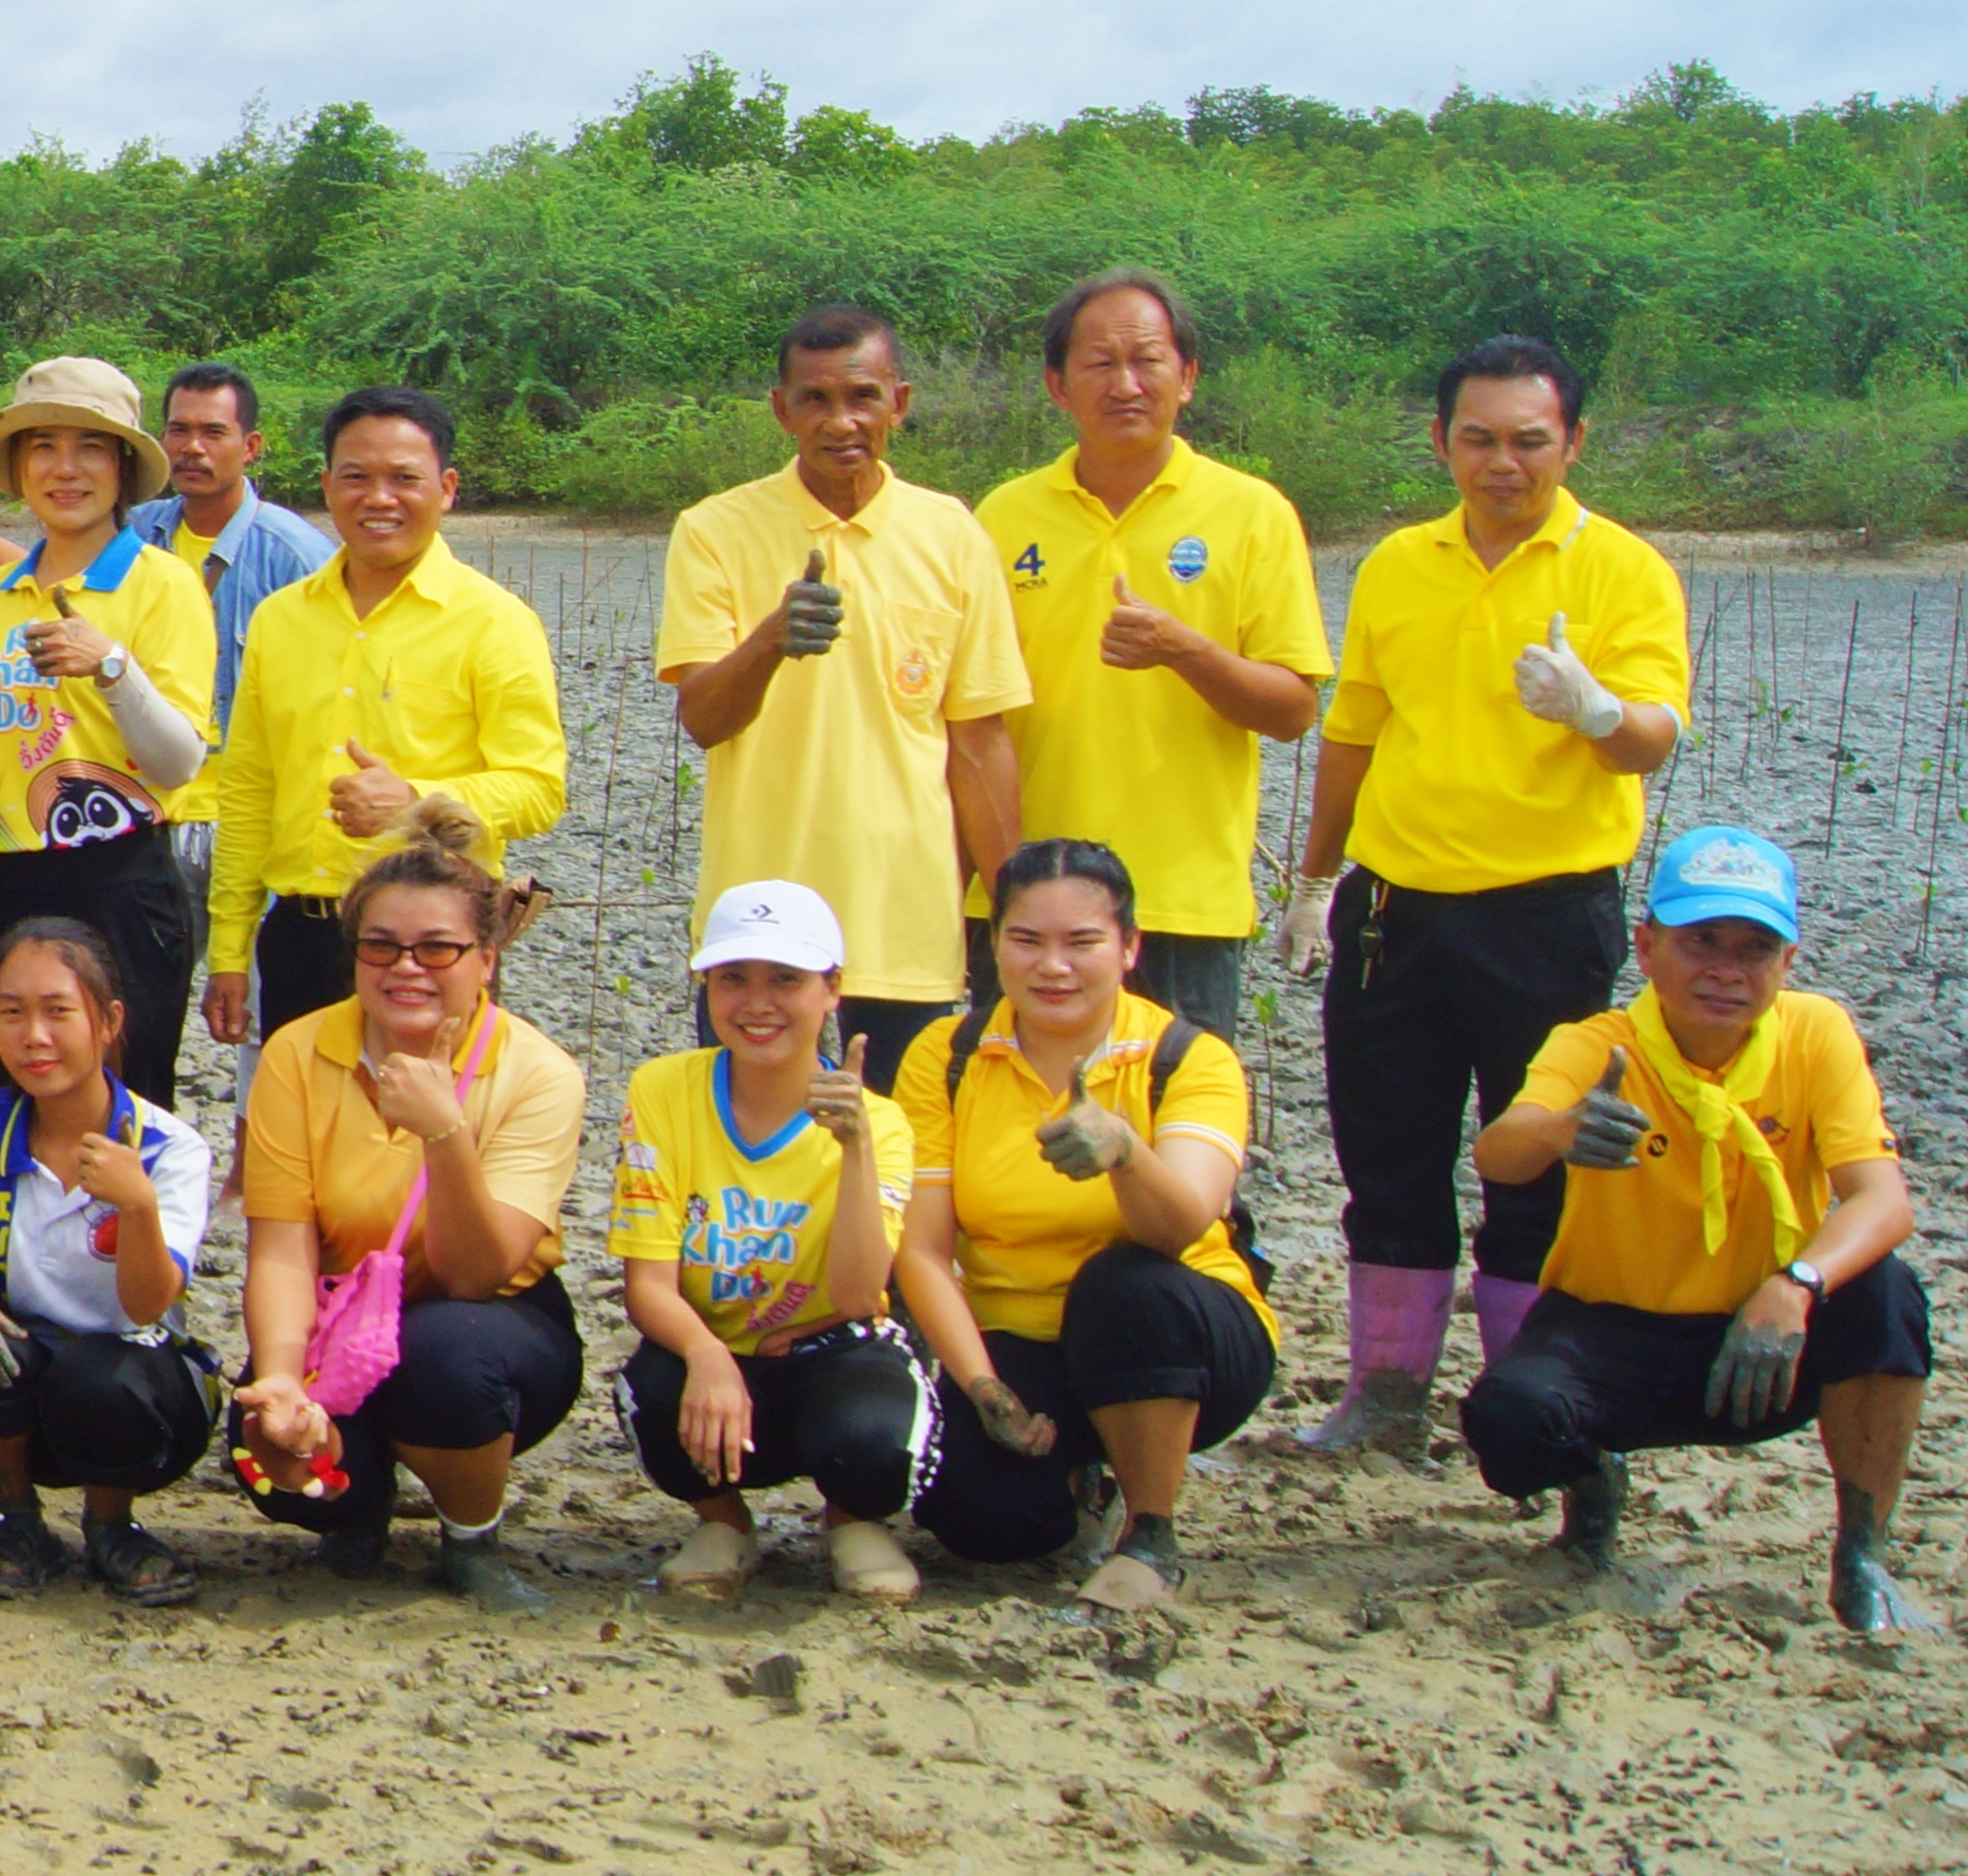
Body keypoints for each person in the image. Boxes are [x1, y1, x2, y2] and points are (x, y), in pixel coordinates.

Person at [1283, 334, 1694, 1461]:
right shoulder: (1397, 565)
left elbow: (1651, 738)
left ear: (1573, 441)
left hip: (1546, 914)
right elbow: (1354, 733)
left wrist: (1597, 710)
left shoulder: (1624, 570)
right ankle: (1387, 1393)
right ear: (1440, 441)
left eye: (1528, 439)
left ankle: (1525, 1397)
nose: (1501, 461)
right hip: (1395, 910)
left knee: (1541, 1154)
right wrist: (1314, 883)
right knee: (1391, 1153)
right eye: (1478, 438)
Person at [1461, 826, 1932, 1632]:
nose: (1726, 970)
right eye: (1700, 941)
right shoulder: (1596, 1045)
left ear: (1788, 962)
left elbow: (1883, 1202)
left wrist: (1796, 1285)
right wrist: (1560, 1131)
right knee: (1508, 1424)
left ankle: (1862, 1554)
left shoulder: (1816, 1035)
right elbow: (1497, 1154)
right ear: (1645, 948)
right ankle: (1594, 1488)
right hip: (1616, 1327)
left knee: (1887, 1298)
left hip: (1769, 1328)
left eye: (1755, 948)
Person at [895, 840, 1277, 1608]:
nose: (1053, 968)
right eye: (1027, 941)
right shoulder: (948, 1056)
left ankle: (1151, 1530)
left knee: (1122, 1284)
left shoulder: (1188, 1058)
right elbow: (925, 1253)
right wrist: (982, 1387)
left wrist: (1127, 1153)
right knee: (976, 1518)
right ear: (992, 944)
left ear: (1131, 948)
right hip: (1021, 1336)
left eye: (1083, 943)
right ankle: (1078, 1485)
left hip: (1181, 1332)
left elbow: (1179, 1229)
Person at [226, 805, 590, 1605]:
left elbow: (475, 1271)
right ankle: (360, 1513)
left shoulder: (539, 1073)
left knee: (445, 1355)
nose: (407, 969)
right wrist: (283, 1379)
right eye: (381, 947)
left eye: (438, 949)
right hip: (341, 1309)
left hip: (488, 1318)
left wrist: (445, 1132)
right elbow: (282, 1249)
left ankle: (471, 1534)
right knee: (265, 1454)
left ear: (487, 958)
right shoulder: (299, 1050)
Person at [657, 306, 1030, 1085]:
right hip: (761, 941)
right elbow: (702, 718)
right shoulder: (714, 530)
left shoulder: (954, 534)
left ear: (900, 401)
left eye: (862, 396)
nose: (840, 422)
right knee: (757, 1176)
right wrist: (769, 640)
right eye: (815, 400)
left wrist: (1017, 912)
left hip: (908, 935)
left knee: (897, 1176)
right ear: (781, 409)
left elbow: (979, 742)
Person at [973, 274, 1325, 1039]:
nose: (1126, 384)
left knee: (1175, 1136)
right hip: (1028, 901)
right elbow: (969, 717)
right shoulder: (1002, 517)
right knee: (1014, 1135)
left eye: (1149, 360)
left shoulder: (1252, 513)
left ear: (1188, 377)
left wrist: (1186, 651)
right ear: (1057, 387)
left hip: (1182, 902)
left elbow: (1295, 709)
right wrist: (991, 884)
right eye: (1100, 364)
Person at [200, 386, 567, 1050]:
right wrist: (228, 950)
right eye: (357, 477)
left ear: (447, 488)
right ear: (327, 485)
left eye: (404, 479)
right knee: (303, 1138)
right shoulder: (281, 620)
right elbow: (249, 790)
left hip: (432, 943)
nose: (379, 498)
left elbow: (539, 788)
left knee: (423, 1136)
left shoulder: (495, 623)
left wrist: (418, 803)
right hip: (301, 935)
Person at [613, 881, 928, 1605]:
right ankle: (722, 1522)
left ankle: (853, 1519)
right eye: (734, 979)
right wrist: (706, 1355)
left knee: (873, 1431)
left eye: (786, 979)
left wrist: (853, 1149)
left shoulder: (881, 1121)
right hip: (715, 1348)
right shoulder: (664, 1090)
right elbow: (648, 1287)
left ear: (832, 991)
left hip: (829, 1348)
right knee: (655, 1392)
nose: (758, 1003)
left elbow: (856, 1297)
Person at [0, 358, 210, 1103]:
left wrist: (111, 667)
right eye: (43, 446)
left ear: (124, 469)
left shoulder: (162, 585)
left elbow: (177, 764)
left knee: (119, 1115)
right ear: (18, 466)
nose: (65, 469)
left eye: (91, 448)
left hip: (117, 883)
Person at [0, 917, 215, 1607]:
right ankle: (16, 1521)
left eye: (57, 1012)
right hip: (23, 1369)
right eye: (10, 1013)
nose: (33, 1037)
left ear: (108, 1021)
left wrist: (137, 1207)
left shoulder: (172, 1149)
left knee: (101, 1381)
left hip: (136, 1385)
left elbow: (146, 1305)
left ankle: (113, 1521)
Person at [107, 363, 332, 1013]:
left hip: (247, 816)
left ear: (251, 446)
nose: (192, 448)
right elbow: (48, 596)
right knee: (135, 1000)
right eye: (177, 430)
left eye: (213, 432)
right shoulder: (135, 535)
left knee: (266, 1012)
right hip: (150, 807)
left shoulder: (296, 556)